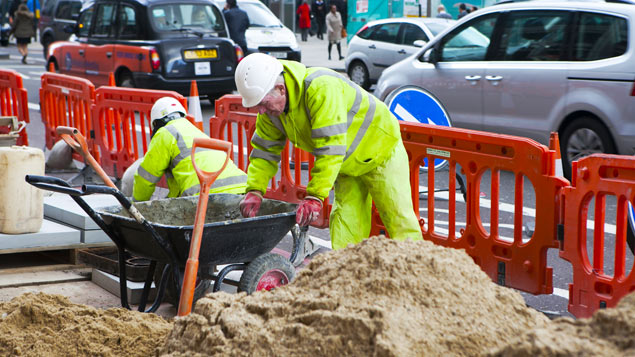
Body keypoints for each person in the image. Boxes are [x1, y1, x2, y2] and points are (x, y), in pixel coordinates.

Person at [234, 53, 423, 250]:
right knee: (346, 224)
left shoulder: (321, 88)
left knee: (398, 218)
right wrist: (254, 190)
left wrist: (315, 196)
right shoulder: (272, 112)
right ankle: (344, 274)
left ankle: (418, 272)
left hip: (381, 150)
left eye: (263, 103)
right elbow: (264, 151)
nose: (261, 111)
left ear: (281, 89)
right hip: (347, 163)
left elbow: (330, 147)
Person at [132, 97, 248, 202]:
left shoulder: (165, 133)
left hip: (206, 197)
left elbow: (145, 177)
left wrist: (136, 206)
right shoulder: (193, 130)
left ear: (156, 123)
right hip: (243, 190)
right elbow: (183, 179)